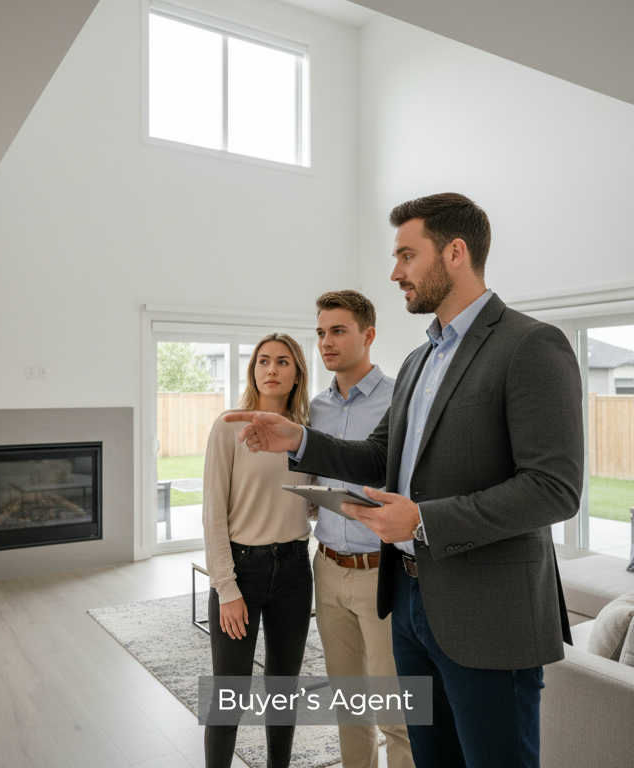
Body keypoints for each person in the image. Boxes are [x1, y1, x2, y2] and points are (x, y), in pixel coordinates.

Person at [226, 193, 583, 768]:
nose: (395, 273)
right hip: (412, 599)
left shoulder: (529, 344)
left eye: (406, 256)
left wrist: (423, 520)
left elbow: (554, 488)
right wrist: (298, 441)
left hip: (487, 614)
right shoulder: (421, 359)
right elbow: (380, 455)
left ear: (456, 253)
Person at [201, 332, 314, 768]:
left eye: (282, 361)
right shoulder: (229, 426)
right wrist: (225, 587)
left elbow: (310, 500)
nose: (271, 369)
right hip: (241, 574)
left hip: (294, 572)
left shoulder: (307, 434)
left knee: (284, 693)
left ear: (296, 372)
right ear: (253, 371)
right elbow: (213, 512)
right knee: (228, 699)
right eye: (263, 361)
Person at [308, 290, 411, 768]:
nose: (327, 342)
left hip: (382, 572)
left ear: (368, 335)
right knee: (349, 705)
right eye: (322, 333)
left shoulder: (401, 400)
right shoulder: (315, 409)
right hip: (326, 567)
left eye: (338, 331)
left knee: (396, 710)